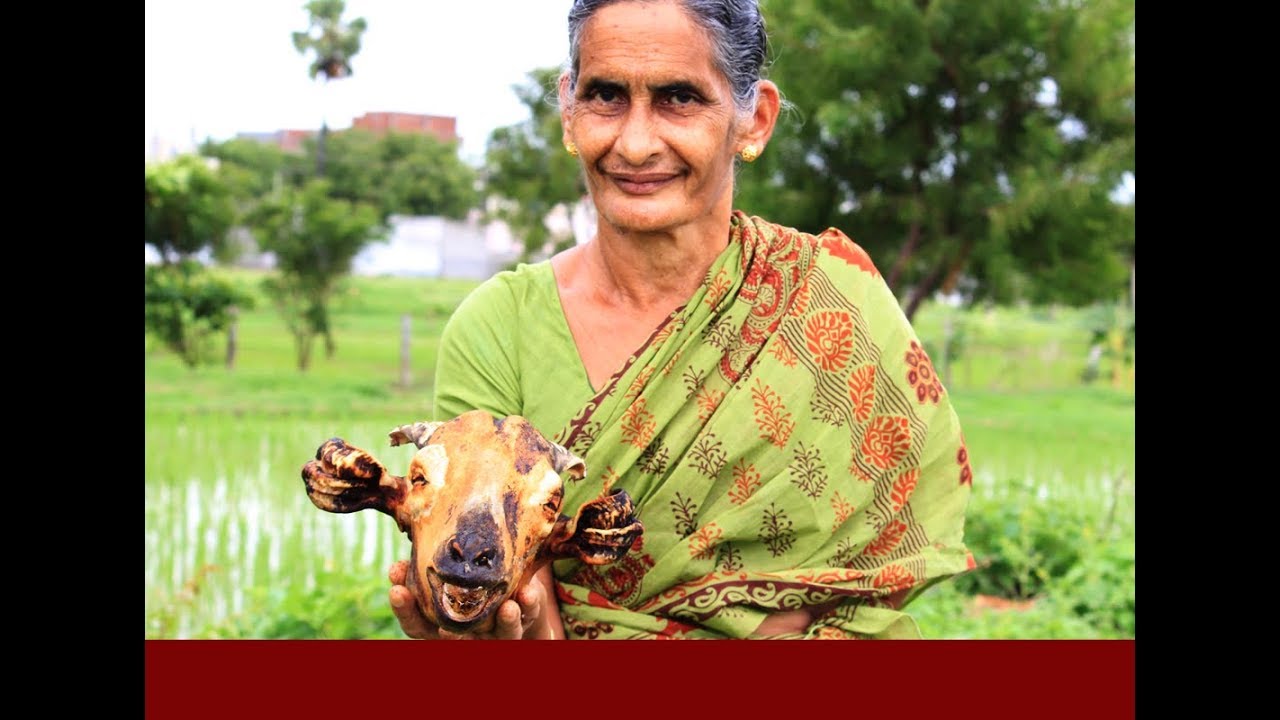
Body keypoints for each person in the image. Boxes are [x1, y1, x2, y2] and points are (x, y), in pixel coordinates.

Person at [388, 0, 975, 640]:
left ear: (754, 120)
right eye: (606, 95)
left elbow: (862, 591)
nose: (635, 143)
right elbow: (508, 598)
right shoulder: (499, 328)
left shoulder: (832, 301)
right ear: (568, 108)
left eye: (679, 98)